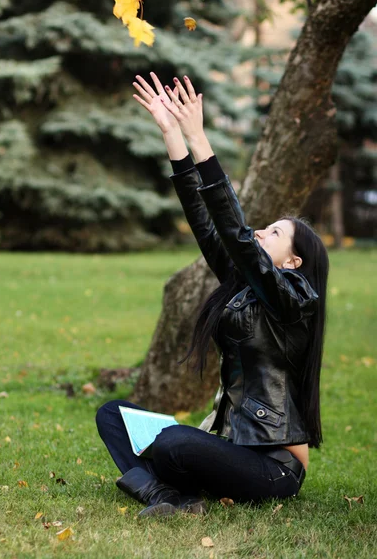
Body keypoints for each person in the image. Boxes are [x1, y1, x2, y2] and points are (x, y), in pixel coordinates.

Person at [96, 72, 329, 518]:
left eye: (275, 232)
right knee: (113, 414)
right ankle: (172, 498)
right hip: (234, 448)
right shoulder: (247, 286)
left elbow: (238, 236)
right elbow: (207, 226)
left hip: (273, 467)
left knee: (173, 444)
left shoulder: (294, 302)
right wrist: (173, 137)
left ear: (294, 262)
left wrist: (200, 139)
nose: (262, 231)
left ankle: (162, 487)